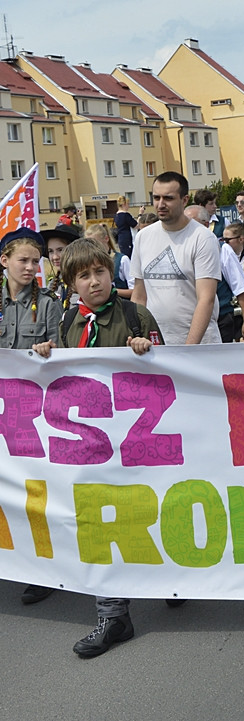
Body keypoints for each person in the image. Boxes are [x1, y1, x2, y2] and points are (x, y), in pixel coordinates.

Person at [31, 238, 164, 658]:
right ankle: (113, 614)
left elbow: (176, 375)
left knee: (152, 512)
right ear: (71, 283)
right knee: (100, 522)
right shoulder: (67, 321)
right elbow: (58, 379)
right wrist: (44, 356)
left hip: (139, 439)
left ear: (112, 272)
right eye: (84, 276)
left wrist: (149, 353)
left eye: (100, 272)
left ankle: (175, 578)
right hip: (91, 443)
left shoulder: (135, 315)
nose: (94, 282)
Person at [0, 227, 68, 605]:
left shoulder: (47, 304)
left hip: (32, 411)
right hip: (1, 410)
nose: (30, 267)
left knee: (35, 489)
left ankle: (43, 567)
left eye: (35, 261)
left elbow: (61, 350)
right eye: (22, 260)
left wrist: (49, 349)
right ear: (4, 261)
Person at [131, 172, 221, 345]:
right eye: (156, 197)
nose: (161, 204)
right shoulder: (143, 237)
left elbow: (206, 299)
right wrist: (137, 334)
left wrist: (188, 349)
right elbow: (139, 295)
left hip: (198, 345)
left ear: (184, 200)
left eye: (168, 198)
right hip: (154, 344)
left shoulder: (203, 238)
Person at [217, 222, 244, 342]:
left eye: (227, 240)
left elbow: (241, 288)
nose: (225, 242)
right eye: (223, 239)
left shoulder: (223, 250)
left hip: (222, 315)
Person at [83, 223, 132, 299]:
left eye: (96, 243)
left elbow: (135, 291)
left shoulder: (122, 260)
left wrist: (112, 290)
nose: (93, 248)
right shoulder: (88, 263)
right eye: (89, 244)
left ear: (106, 239)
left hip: (121, 307)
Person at [42, 224, 80, 308]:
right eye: (50, 251)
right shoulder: (52, 285)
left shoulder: (84, 282)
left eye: (60, 250)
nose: (55, 257)